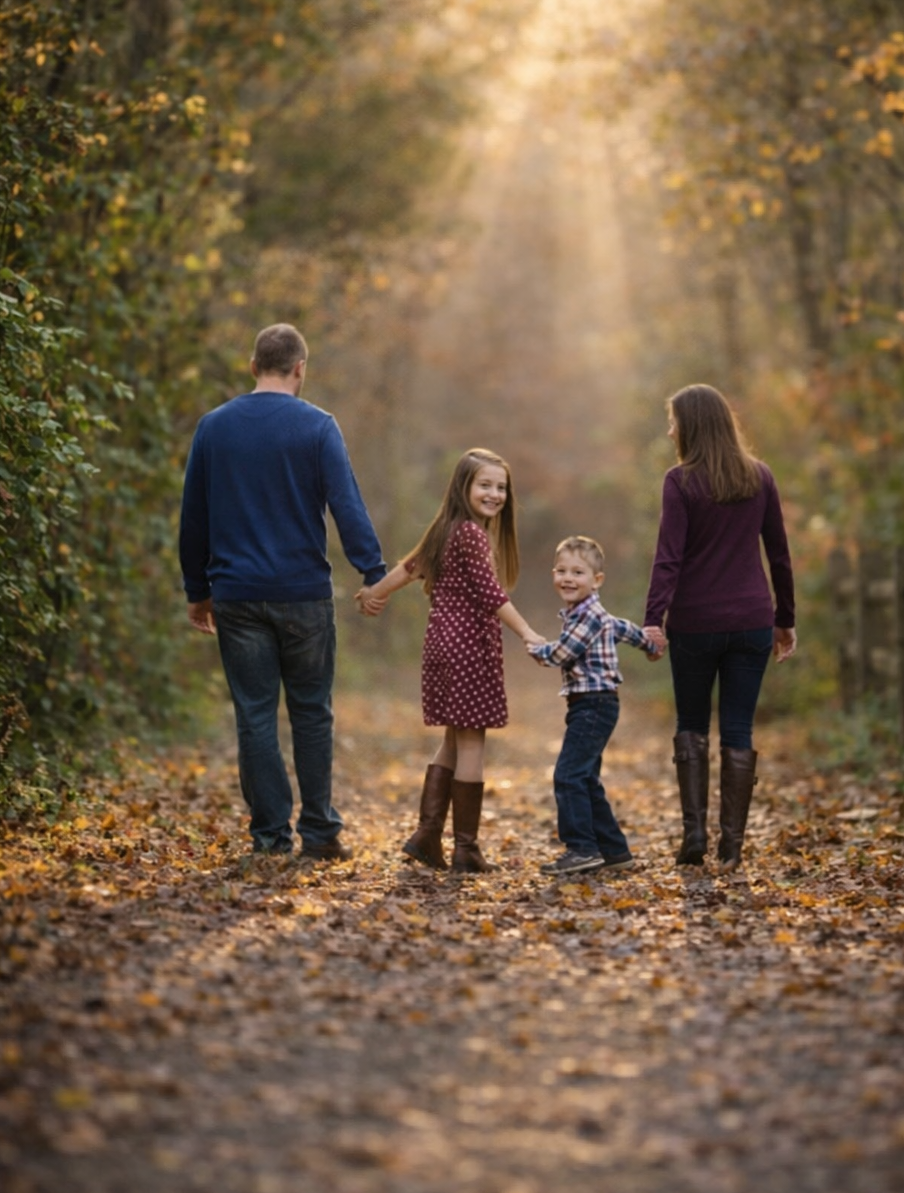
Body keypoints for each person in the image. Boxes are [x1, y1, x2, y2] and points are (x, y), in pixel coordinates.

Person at [179, 323, 386, 860]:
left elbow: (193, 518)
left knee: (254, 715)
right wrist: (372, 572)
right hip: (304, 596)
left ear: (253, 367)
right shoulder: (318, 426)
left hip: (237, 595)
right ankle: (319, 833)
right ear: (300, 369)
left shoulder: (213, 428)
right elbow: (347, 505)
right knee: (312, 711)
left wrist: (196, 590)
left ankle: (270, 837)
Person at [356, 448, 544, 873]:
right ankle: (466, 848)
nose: (495, 494)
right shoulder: (472, 535)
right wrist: (528, 633)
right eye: (485, 485)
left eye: (501, 487)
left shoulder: (448, 528)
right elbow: (490, 594)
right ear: (464, 486)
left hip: (441, 644)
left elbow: (409, 568)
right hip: (467, 648)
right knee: (473, 739)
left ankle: (426, 836)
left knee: (453, 739)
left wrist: (376, 592)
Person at [643, 384, 797, 872]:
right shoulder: (760, 477)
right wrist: (785, 619)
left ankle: (694, 836)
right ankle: (731, 847)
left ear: (691, 425)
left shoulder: (680, 481)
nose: (670, 430)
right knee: (738, 729)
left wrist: (653, 619)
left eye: (673, 421)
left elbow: (668, 558)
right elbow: (779, 555)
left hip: (695, 624)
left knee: (691, 726)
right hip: (752, 621)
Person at [528, 536, 662, 876]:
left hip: (594, 705)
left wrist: (538, 648)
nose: (568, 578)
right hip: (590, 705)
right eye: (561, 571)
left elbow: (562, 653)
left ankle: (582, 848)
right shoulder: (591, 613)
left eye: (578, 572)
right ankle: (614, 850)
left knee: (568, 774)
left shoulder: (586, 617)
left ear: (597, 580)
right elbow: (624, 628)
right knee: (586, 777)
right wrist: (649, 642)